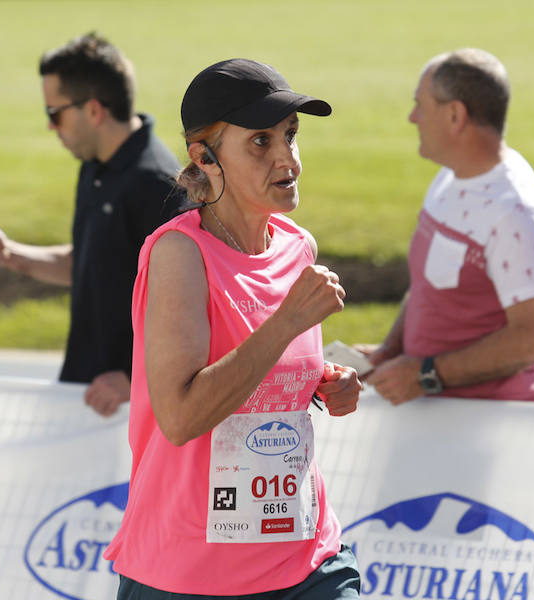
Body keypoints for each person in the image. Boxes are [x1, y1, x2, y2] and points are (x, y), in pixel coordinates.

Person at [103, 59, 362, 598]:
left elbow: (264, 376)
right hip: (190, 573)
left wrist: (323, 383)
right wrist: (288, 320)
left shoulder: (298, 247)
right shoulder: (179, 254)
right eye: (260, 143)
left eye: (291, 136)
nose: (286, 158)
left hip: (303, 557)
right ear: (205, 157)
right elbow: (180, 417)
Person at [0, 33, 183, 416]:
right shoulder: (95, 164)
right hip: (85, 394)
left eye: (54, 113)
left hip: (131, 411)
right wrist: (11, 255)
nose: (51, 127)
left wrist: (133, 379)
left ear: (93, 111)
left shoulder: (158, 186)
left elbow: (195, 301)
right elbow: (91, 262)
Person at [361, 48, 534, 404]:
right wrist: (390, 350)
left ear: (455, 115)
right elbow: (430, 286)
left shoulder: (514, 215)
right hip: (446, 418)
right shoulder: (450, 178)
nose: (412, 117)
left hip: (501, 428)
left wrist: (425, 374)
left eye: (421, 105)